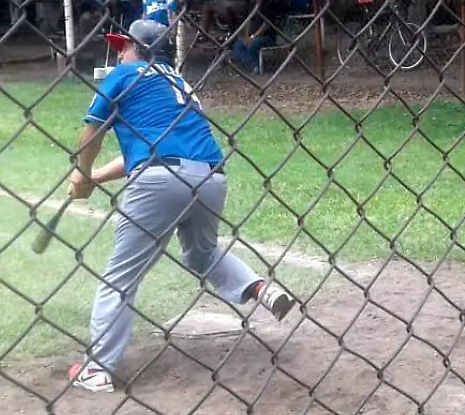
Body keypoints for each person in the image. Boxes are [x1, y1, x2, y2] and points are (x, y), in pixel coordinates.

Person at [65, 19, 297, 393]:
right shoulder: (178, 84)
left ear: (138, 49)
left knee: (119, 277)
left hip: (159, 181)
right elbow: (149, 151)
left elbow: (93, 129)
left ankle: (98, 369)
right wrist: (94, 180)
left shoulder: (123, 77)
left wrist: (82, 172)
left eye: (122, 47)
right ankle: (258, 288)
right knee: (202, 253)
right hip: (211, 179)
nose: (118, 53)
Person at [232, 0, 287, 74]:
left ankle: (255, 67)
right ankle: (252, 65)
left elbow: (266, 25)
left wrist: (253, 36)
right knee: (238, 45)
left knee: (254, 44)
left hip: (266, 37)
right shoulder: (252, 5)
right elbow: (248, 22)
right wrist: (247, 36)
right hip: (252, 36)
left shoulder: (268, 5)